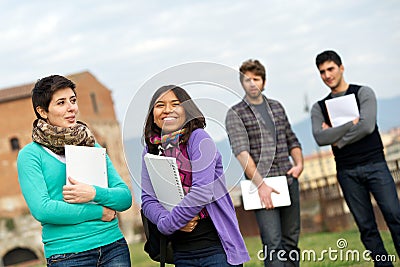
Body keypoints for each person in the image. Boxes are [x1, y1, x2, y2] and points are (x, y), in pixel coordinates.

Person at [17, 75, 132, 267]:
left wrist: (94, 192)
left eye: (73, 100)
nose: (71, 108)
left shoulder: (90, 145)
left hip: (113, 246)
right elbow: (43, 210)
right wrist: (99, 211)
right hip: (67, 254)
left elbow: (124, 198)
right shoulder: (30, 155)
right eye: (61, 103)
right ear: (42, 111)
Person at [141, 85, 250, 267]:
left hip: (216, 248)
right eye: (160, 105)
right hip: (181, 253)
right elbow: (148, 200)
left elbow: (202, 193)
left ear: (187, 110)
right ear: (153, 113)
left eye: (175, 104)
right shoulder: (151, 149)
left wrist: (170, 223)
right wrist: (167, 223)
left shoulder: (199, 139)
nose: (167, 110)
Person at [311, 50, 400, 266]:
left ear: (341, 68)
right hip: (347, 172)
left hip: (375, 165)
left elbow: (367, 126)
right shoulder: (319, 107)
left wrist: (338, 138)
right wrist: (351, 124)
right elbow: (320, 137)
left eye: (330, 69)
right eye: (322, 72)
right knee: (366, 227)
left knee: (395, 217)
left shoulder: (363, 93)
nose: (327, 75)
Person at [225, 59, 304, 266]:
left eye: (256, 79)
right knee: (273, 243)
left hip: (288, 179)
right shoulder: (236, 113)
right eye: (247, 80)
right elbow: (241, 153)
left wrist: (299, 163)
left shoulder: (277, 107)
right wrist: (261, 185)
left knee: (291, 240)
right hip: (261, 184)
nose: (252, 83)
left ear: (264, 82)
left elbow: (292, 139)